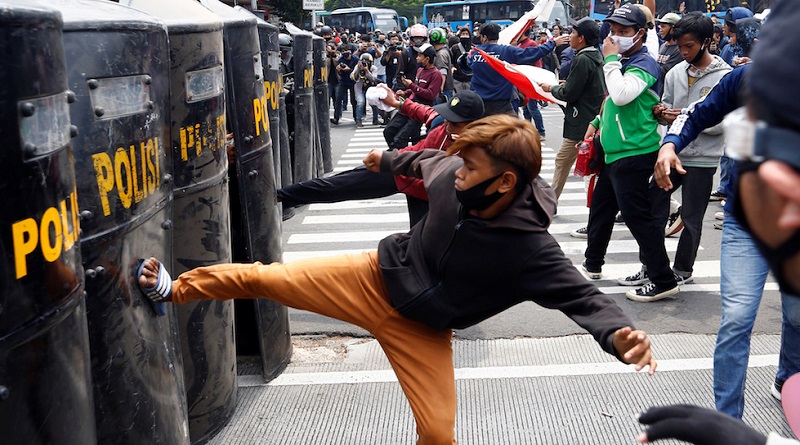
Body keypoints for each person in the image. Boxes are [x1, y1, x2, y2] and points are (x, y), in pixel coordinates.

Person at [137, 113, 657, 445]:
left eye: (470, 168)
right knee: (266, 278)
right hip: (373, 277)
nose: (457, 173)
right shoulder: (451, 176)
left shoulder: (531, 250)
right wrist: (384, 157)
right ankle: (177, 288)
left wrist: (618, 335)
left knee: (437, 432)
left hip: (424, 329)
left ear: (504, 182)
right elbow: (425, 157)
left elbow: (583, 297)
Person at [581, 4, 679, 302]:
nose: (615, 37)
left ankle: (662, 278)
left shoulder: (643, 63)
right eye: (612, 31)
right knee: (601, 209)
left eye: (623, 32)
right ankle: (592, 264)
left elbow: (623, 95)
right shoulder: (625, 60)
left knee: (638, 218)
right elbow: (614, 102)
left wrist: (610, 59)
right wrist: (596, 123)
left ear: (640, 34)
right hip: (615, 153)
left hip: (635, 152)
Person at [278, 89, 485, 227]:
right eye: (448, 119)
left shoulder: (480, 152)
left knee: (423, 244)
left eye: (455, 124)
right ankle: (281, 196)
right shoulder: (441, 122)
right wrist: (396, 102)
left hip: (428, 196)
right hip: (397, 169)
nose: (448, 126)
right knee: (337, 185)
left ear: (474, 125)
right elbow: (422, 111)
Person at [650, 13, 731, 285]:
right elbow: (665, 105)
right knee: (651, 206)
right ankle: (650, 265)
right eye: (680, 46)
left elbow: (724, 122)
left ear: (706, 42)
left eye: (689, 46)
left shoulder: (725, 76)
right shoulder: (675, 72)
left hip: (703, 160)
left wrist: (686, 117)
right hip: (672, 154)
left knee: (692, 218)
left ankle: (683, 270)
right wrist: (662, 112)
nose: (684, 52)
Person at [540, 17, 605, 200]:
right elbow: (584, 85)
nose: (570, 37)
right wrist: (566, 83)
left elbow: (569, 94)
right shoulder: (595, 55)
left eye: (574, 33)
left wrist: (551, 88)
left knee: (565, 161)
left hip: (581, 122)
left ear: (582, 37)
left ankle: (550, 201)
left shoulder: (583, 59)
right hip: (592, 119)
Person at [466, 22, 568, 116]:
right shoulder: (507, 51)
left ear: (483, 37)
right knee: (511, 132)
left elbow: (465, 67)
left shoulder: (475, 53)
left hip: (479, 104)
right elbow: (532, 53)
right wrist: (552, 43)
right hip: (502, 104)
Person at [382, 43, 443, 150]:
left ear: (427, 59)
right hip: (408, 106)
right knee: (388, 131)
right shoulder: (420, 70)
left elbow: (430, 94)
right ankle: (397, 155)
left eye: (420, 55)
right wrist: (405, 92)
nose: (417, 57)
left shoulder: (436, 74)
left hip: (420, 111)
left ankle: (401, 159)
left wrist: (411, 85)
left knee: (400, 139)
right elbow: (417, 88)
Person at [331, 43, 359, 125]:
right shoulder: (341, 60)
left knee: (354, 101)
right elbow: (340, 73)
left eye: (346, 51)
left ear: (350, 51)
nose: (344, 53)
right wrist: (339, 70)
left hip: (353, 81)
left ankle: (356, 117)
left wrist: (349, 69)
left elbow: (357, 72)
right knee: (338, 99)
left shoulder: (355, 59)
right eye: (343, 51)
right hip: (343, 81)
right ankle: (336, 118)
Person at [350, 53, 378, 127]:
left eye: (368, 62)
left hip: (370, 88)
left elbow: (374, 79)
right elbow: (353, 77)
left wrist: (367, 71)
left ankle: (375, 119)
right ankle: (358, 120)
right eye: (364, 62)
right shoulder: (358, 66)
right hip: (360, 88)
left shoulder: (373, 68)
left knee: (374, 103)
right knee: (360, 102)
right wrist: (359, 69)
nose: (366, 63)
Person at [655, 13, 683, 81]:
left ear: (673, 29)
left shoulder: (679, 50)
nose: (660, 30)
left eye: (663, 27)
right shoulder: (662, 46)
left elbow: (666, 72)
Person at [429, 27, 454, 102]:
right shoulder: (445, 50)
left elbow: (442, 72)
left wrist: (439, 90)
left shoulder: (440, 54)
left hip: (443, 90)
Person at [450, 27, 473, 92]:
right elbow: (451, 60)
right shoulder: (454, 48)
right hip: (458, 79)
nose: (465, 36)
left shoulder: (473, 48)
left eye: (466, 34)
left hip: (469, 79)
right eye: (463, 34)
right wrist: (452, 67)